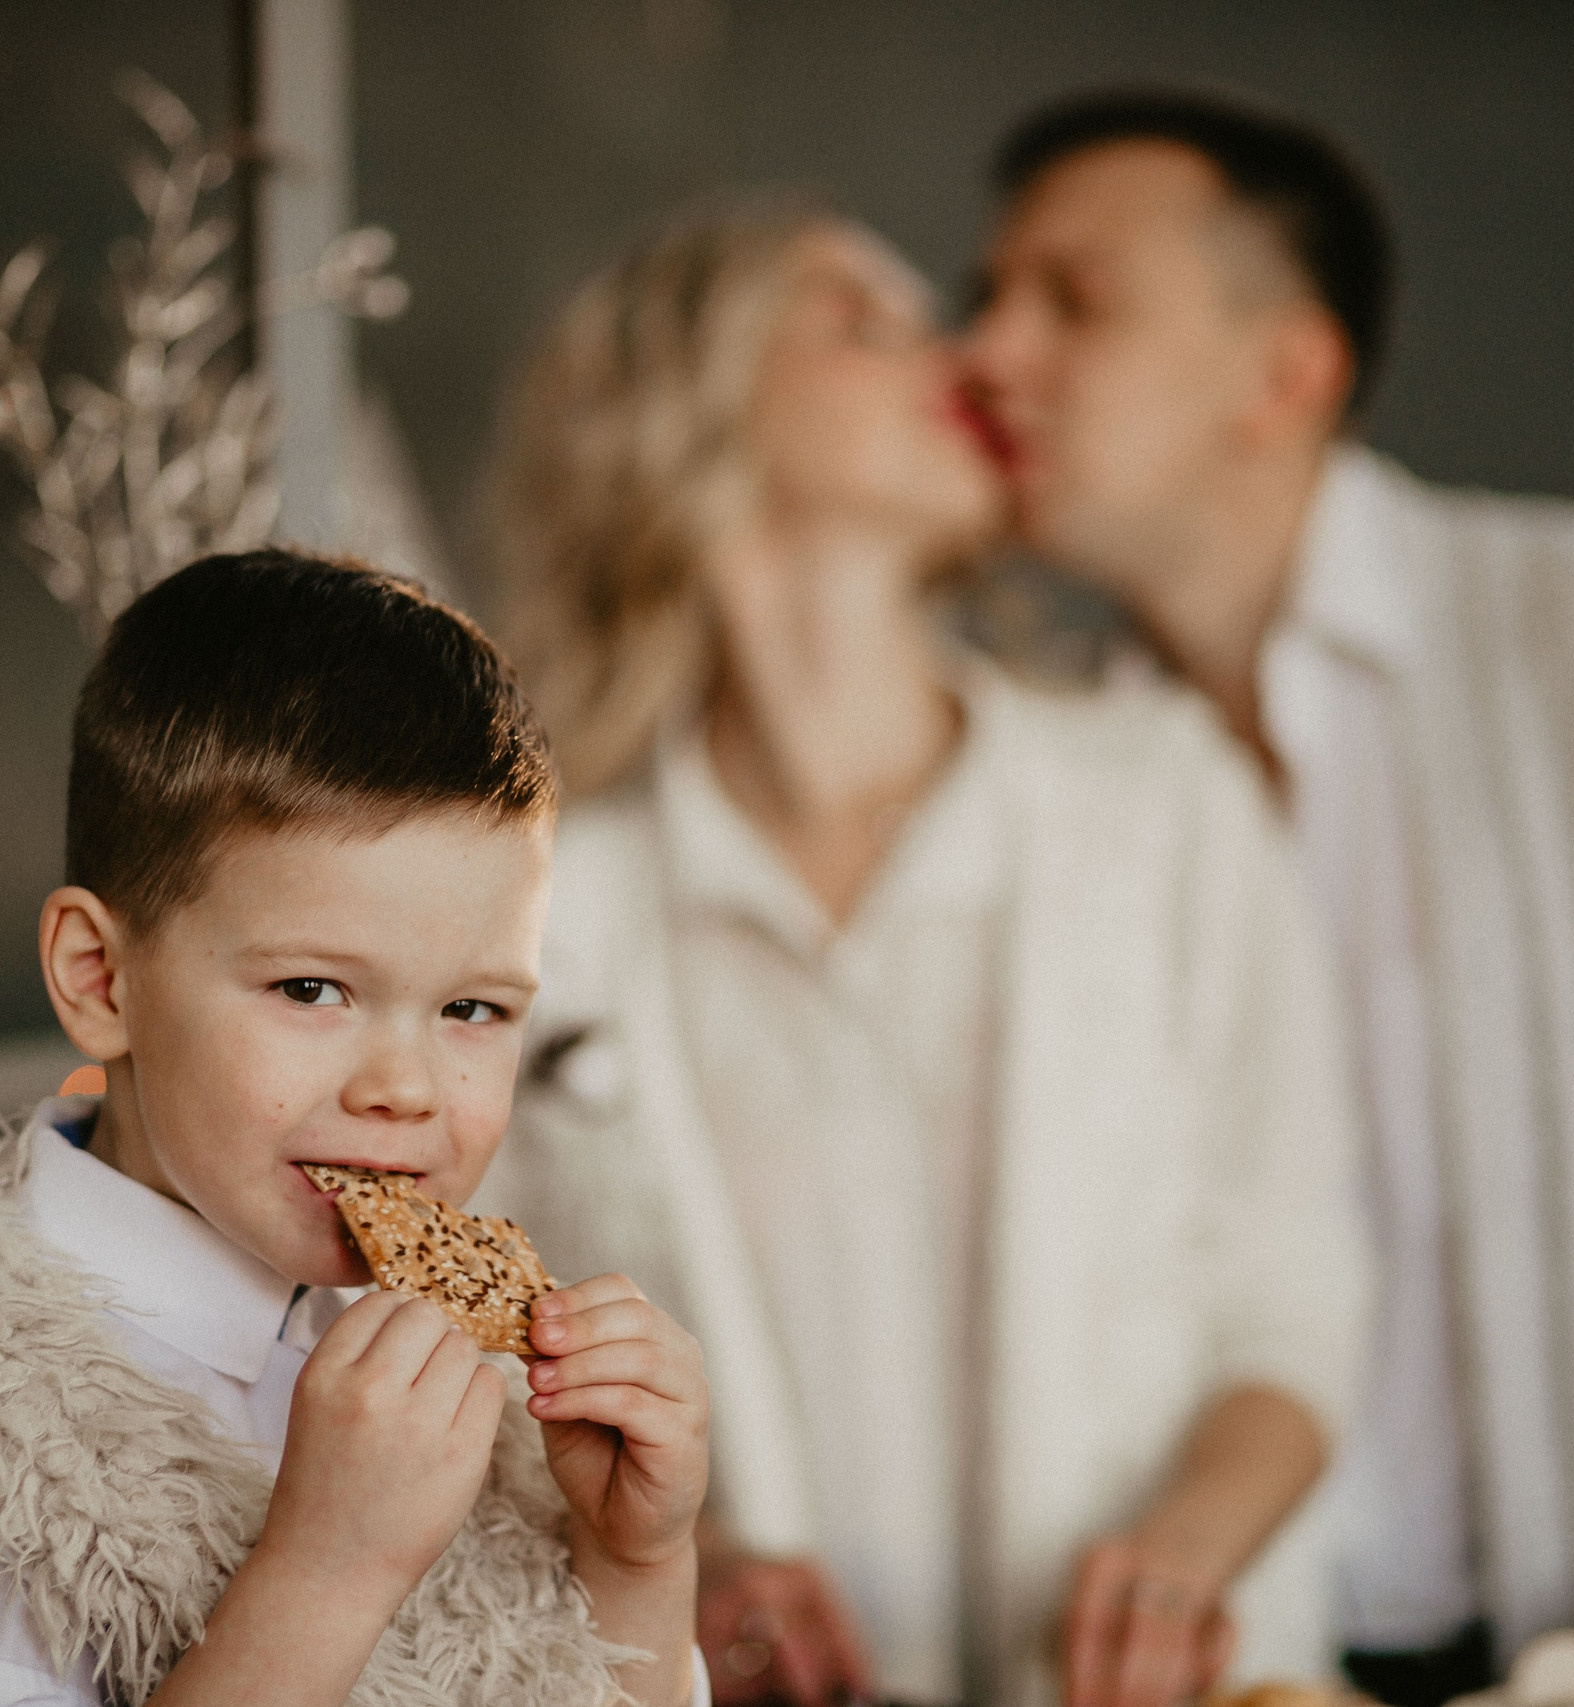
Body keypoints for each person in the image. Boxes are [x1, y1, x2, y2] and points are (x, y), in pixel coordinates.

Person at [961, 87, 1574, 1705]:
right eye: (984, 297)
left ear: (1287, 371)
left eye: (1071, 301)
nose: (987, 356)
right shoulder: (1041, 770)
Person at [476, 198, 1371, 1707]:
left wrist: (1187, 1552)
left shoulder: (1168, 804)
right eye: (865, 320)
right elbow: (474, 1338)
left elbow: (1298, 1303)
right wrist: (676, 1549)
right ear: (693, 398)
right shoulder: (538, 903)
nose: (963, 354)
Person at [0, 552, 714, 1707]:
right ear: (101, 980)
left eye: (472, 1009)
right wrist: (324, 1574)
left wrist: (635, 1561)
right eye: (313, 991)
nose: (407, 1089)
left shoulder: (477, 1388)